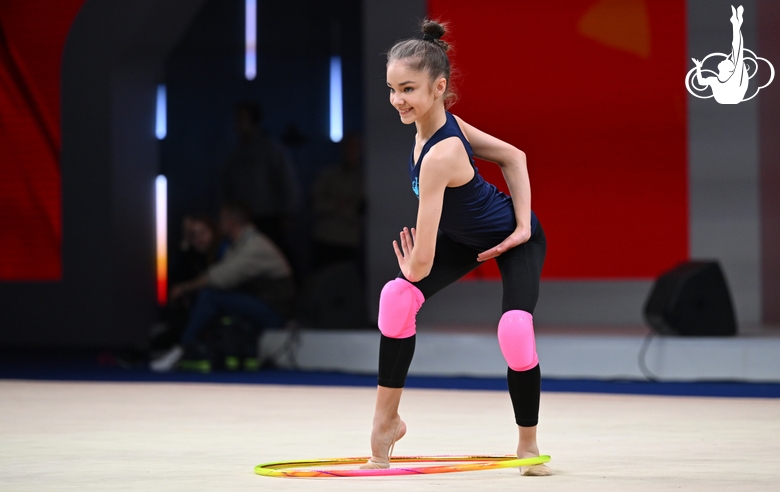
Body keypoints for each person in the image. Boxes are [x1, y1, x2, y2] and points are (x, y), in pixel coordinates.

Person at [362, 20, 550, 476]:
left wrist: (523, 225)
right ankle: (386, 426)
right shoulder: (434, 128)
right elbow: (513, 156)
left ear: (438, 87)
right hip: (466, 241)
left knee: (515, 330)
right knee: (396, 300)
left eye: (407, 88)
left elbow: (515, 158)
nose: (397, 100)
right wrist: (411, 272)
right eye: (391, 89)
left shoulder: (442, 152)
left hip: (510, 241)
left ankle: (528, 445)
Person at [150, 202, 295, 372]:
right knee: (209, 298)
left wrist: (183, 288)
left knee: (211, 297)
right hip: (263, 304)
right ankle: (195, 350)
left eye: (222, 219)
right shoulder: (239, 243)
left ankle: (182, 349)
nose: (220, 224)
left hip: (276, 312)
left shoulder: (254, 246)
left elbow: (220, 278)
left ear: (229, 222)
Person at [220, 101, 300, 250]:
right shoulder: (234, 153)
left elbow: (286, 181)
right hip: (241, 219)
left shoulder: (271, 149)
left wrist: (288, 213)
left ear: (253, 121)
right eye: (236, 119)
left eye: (242, 119)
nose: (237, 123)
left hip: (267, 218)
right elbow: (227, 185)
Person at [310, 133, 365, 270]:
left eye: (355, 147)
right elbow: (315, 203)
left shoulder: (365, 177)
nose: (351, 151)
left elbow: (361, 207)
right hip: (325, 237)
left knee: (344, 280)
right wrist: (337, 204)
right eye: (348, 147)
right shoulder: (328, 175)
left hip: (349, 239)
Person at [692, 5, 747, 104]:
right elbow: (701, 82)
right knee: (737, 51)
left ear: (729, 69)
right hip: (728, 98)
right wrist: (698, 67)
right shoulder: (714, 80)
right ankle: (736, 24)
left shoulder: (734, 77)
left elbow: (737, 48)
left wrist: (736, 25)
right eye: (728, 60)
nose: (725, 59)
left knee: (737, 50)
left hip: (733, 96)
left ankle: (736, 24)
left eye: (727, 61)